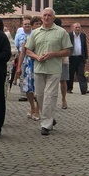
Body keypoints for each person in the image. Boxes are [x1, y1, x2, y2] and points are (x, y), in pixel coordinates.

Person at [25, 8, 72, 136]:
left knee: (50, 96)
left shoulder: (61, 32)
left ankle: (45, 125)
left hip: (54, 68)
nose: (46, 17)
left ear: (53, 17)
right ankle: (50, 117)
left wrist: (53, 54)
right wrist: (36, 57)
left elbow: (67, 51)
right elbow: (28, 50)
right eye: (44, 15)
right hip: (39, 68)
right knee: (39, 95)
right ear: (41, 18)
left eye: (49, 15)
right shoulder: (35, 33)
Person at [16, 17, 42, 120]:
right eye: (36, 24)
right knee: (27, 87)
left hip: (40, 64)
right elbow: (22, 53)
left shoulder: (43, 36)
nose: (38, 25)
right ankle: (32, 107)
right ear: (32, 25)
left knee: (39, 88)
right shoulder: (28, 37)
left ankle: (38, 110)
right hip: (28, 65)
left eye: (40, 23)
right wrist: (19, 67)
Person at [67, 22, 89, 95]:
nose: (77, 29)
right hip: (72, 58)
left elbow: (84, 47)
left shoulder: (83, 35)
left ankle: (84, 90)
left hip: (80, 58)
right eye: (76, 27)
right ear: (73, 28)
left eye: (79, 27)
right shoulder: (69, 35)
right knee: (70, 74)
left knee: (81, 74)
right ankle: (69, 89)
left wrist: (86, 57)